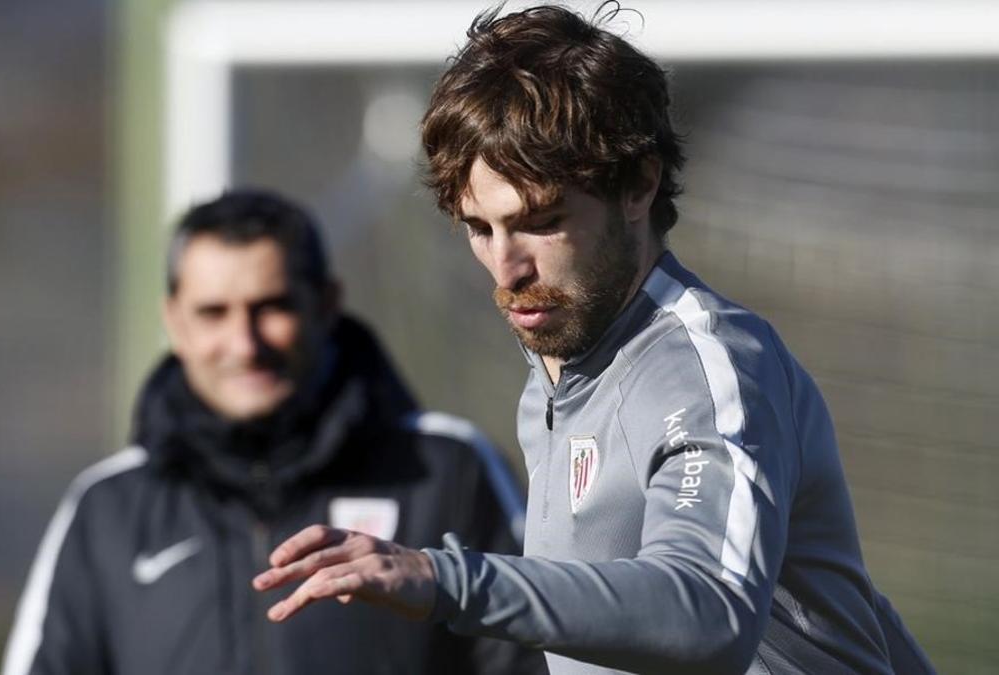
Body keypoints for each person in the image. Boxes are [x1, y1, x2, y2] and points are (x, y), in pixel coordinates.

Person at [252, 5, 936, 674]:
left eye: (542, 220)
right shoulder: (557, 371)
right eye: (479, 228)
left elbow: (711, 610)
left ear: (638, 184)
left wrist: (447, 578)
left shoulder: (703, 367)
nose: (508, 267)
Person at [1, 190, 547, 674]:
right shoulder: (108, 507)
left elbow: (539, 654)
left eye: (272, 308)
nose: (245, 344)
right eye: (214, 313)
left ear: (326, 304)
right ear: (176, 322)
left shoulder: (448, 468)